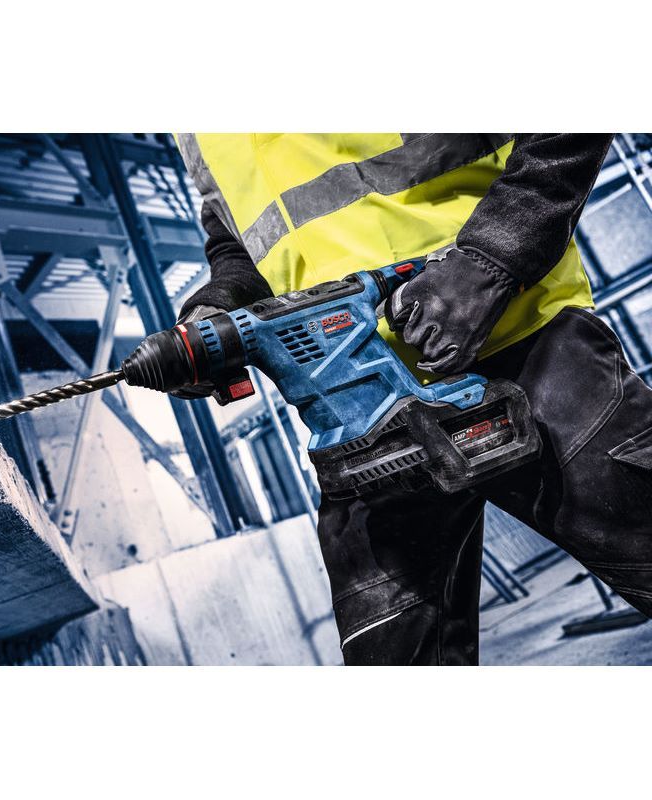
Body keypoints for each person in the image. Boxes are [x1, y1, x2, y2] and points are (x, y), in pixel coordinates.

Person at [174, 134, 652, 665]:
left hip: (518, 342)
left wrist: (492, 259)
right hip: (355, 417)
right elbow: (239, 240)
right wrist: (219, 304)